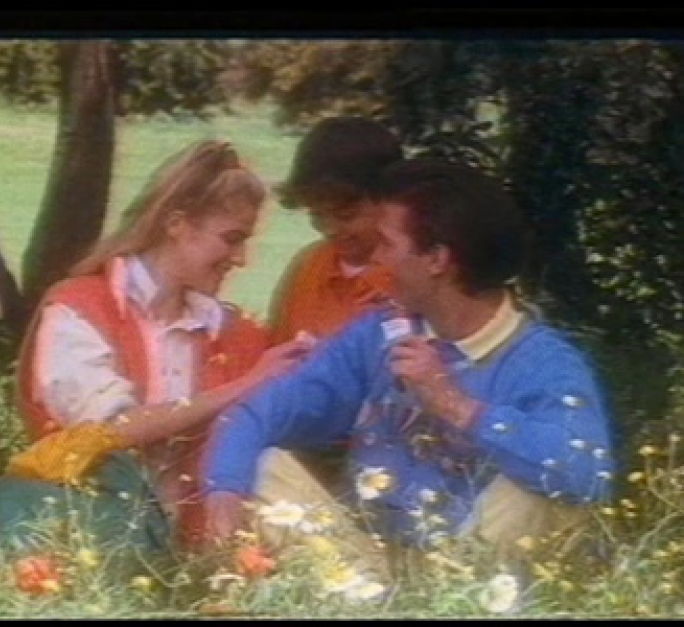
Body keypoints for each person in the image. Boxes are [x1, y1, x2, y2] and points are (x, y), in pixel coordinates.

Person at [202, 158, 615, 568]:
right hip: (365, 567)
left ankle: (446, 598)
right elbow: (259, 412)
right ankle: (370, 598)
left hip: (471, 570)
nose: (376, 259)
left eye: (386, 244)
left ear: (436, 259)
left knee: (540, 488)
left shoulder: (544, 361)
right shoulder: (379, 333)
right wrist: (225, 492)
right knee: (260, 465)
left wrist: (455, 404)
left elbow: (589, 474)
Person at [0, 140, 314, 552]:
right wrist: (244, 385)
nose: (241, 259)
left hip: (198, 558)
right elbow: (110, 432)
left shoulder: (237, 333)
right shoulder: (79, 308)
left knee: (273, 468)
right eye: (231, 239)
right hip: (85, 537)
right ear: (176, 224)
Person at [269, 116, 403, 345]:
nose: (330, 230)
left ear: (391, 200)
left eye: (346, 215)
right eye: (317, 215)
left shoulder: (414, 275)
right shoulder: (305, 266)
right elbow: (274, 352)